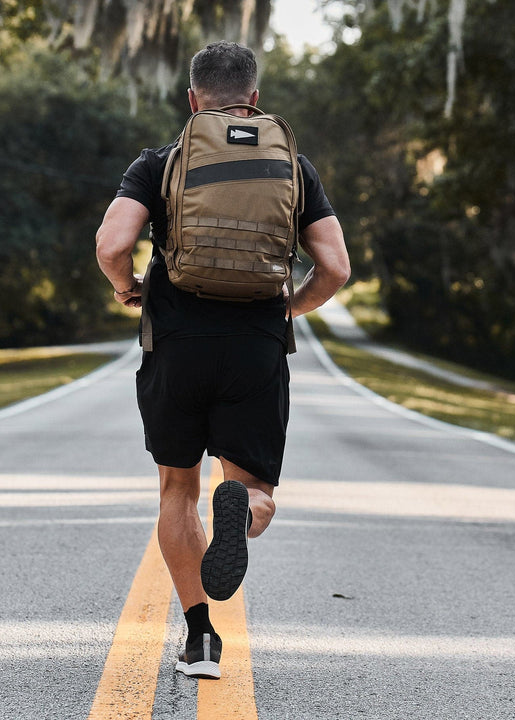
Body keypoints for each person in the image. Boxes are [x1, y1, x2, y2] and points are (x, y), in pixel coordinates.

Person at [95, 41, 350, 680]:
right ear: (255, 98)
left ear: (192, 100)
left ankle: (201, 638)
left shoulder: (159, 163)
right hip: (255, 349)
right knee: (250, 487)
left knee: (178, 490)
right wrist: (288, 307)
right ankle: (242, 509)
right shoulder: (294, 167)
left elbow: (111, 243)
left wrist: (128, 287)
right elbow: (338, 267)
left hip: (176, 347)